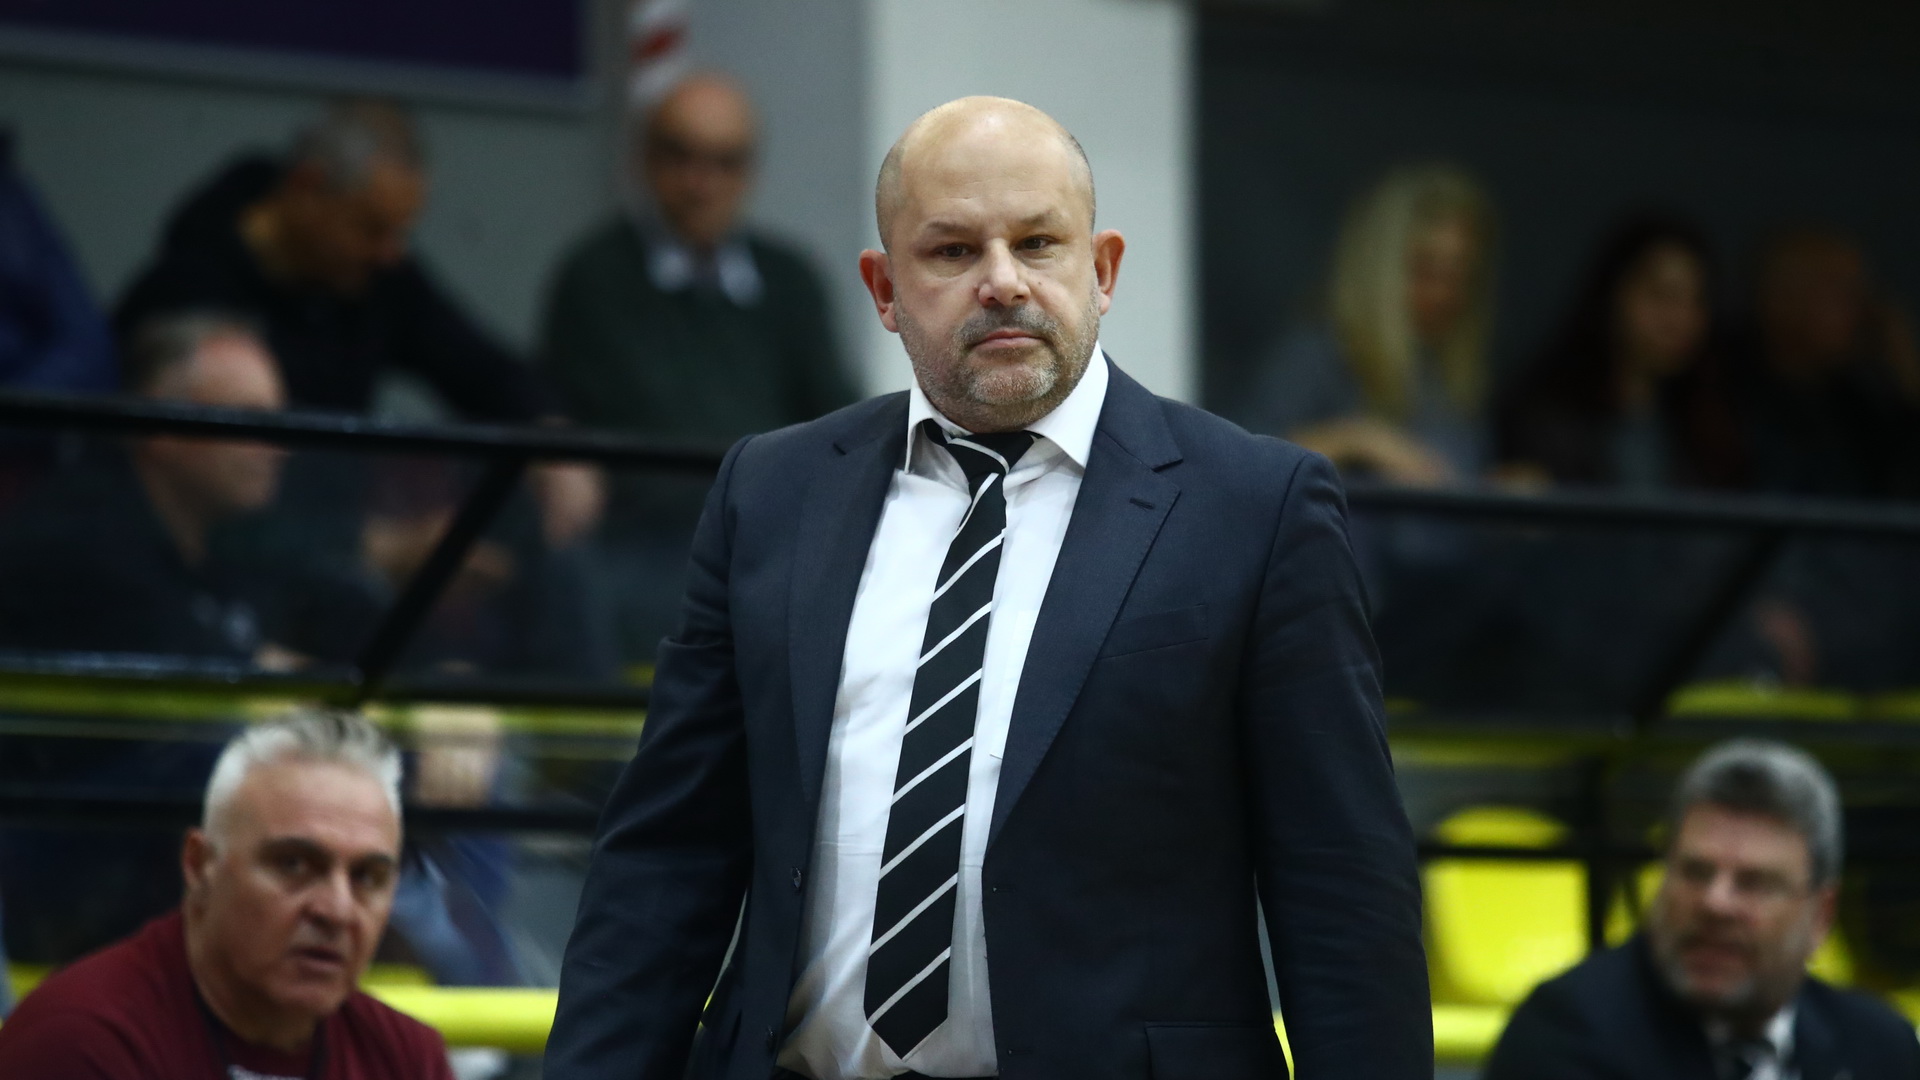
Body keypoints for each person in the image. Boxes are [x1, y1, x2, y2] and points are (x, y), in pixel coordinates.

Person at [547, 96, 1429, 1080]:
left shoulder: (1255, 507)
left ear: (1102, 270)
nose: (1003, 281)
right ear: (885, 288)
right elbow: (666, 860)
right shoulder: (772, 493)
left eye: (1039, 243)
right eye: (954, 250)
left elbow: (1343, 894)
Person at [116, 98, 599, 547]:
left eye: (400, 232)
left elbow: (481, 367)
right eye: (371, 227)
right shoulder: (187, 289)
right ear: (307, 187)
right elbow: (206, 488)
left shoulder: (377, 279)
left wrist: (551, 438)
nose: (390, 253)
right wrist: (369, 548)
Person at [0, 708, 457, 1079]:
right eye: (294, 865)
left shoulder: (407, 1058)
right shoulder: (78, 1044)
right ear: (200, 865)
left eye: (368, 877)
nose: (336, 910)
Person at [1484, 740, 1920, 1080]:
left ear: (1821, 915)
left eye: (1754, 883)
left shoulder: (1878, 1047)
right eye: (1695, 872)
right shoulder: (1567, 1035)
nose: (1716, 903)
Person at [540, 71, 860, 444]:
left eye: (726, 162)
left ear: (750, 172)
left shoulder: (791, 279)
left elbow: (840, 420)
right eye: (681, 157)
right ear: (645, 159)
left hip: (774, 482)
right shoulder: (596, 277)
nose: (702, 184)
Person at [1246, 163, 1497, 485]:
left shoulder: (1452, 382)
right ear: (1382, 267)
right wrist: (1356, 439)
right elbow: (1243, 465)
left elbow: (1446, 482)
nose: (1443, 294)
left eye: (1460, 275)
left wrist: (1498, 490)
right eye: (1425, 269)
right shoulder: (1318, 354)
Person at [1497, 214, 1745, 491]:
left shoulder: (1716, 424)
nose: (1680, 318)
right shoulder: (1547, 420)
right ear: (1613, 294)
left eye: (1697, 300)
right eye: (1661, 294)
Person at [1729, 227, 1920, 500]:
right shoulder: (1719, 399)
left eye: (1863, 294)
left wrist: (1909, 380)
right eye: (1841, 293)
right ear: (1781, 300)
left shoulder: (1859, 407)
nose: (1863, 312)